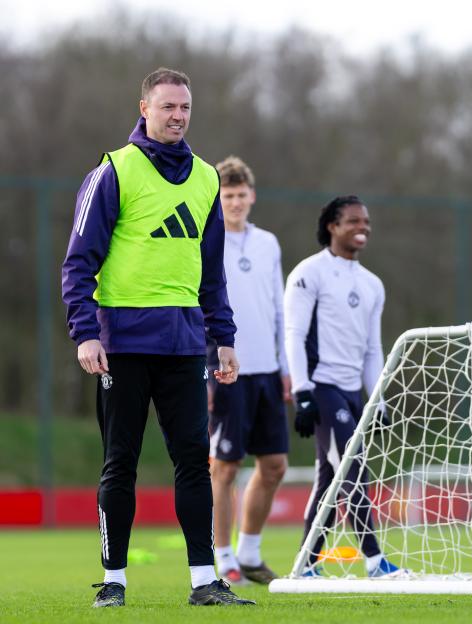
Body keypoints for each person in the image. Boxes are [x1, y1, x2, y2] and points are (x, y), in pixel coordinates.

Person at [61, 67, 254, 607]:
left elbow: (211, 271)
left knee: (195, 462)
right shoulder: (114, 171)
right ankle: (114, 582)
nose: (177, 116)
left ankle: (204, 582)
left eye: (185, 107)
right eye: (167, 106)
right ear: (143, 108)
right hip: (120, 345)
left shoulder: (207, 178)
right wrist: (85, 333)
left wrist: (223, 336)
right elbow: (78, 263)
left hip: (185, 346)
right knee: (119, 463)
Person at [283, 196, 404, 578]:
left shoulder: (373, 285)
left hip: (353, 395)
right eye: (353, 221)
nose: (362, 227)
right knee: (352, 469)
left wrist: (377, 401)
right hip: (322, 388)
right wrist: (302, 391)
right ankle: (375, 560)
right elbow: (294, 334)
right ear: (332, 226)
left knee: (330, 481)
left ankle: (306, 565)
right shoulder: (309, 273)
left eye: (365, 221)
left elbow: (372, 350)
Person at [208, 156, 290, 586]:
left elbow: (279, 307)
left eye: (241, 195)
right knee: (225, 466)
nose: (236, 202)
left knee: (274, 464)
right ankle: (223, 557)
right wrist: (207, 366)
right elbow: (201, 305)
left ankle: (250, 552)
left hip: (267, 370)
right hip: (226, 368)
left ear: (252, 196)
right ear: (217, 198)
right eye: (228, 195)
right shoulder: (207, 240)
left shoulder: (268, 243)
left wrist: (286, 366)